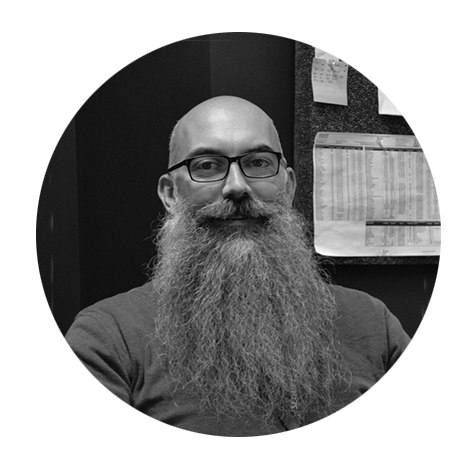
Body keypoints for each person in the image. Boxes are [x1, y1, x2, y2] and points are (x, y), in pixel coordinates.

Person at [40, 96, 441, 476]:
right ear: (170, 193)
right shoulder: (107, 334)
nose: (237, 186)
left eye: (258, 162)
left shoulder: (369, 320)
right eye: (207, 166)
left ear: (288, 186)